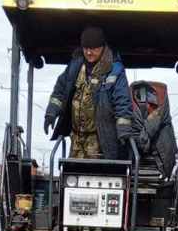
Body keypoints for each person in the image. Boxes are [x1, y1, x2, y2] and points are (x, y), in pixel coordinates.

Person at [43, 26, 133, 160]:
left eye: (94, 49)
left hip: (100, 137)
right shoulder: (75, 65)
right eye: (86, 48)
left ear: (103, 47)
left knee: (94, 174)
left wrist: (123, 130)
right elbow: (60, 91)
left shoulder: (114, 70)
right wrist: (51, 112)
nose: (89, 53)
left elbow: (122, 101)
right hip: (76, 137)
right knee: (72, 173)